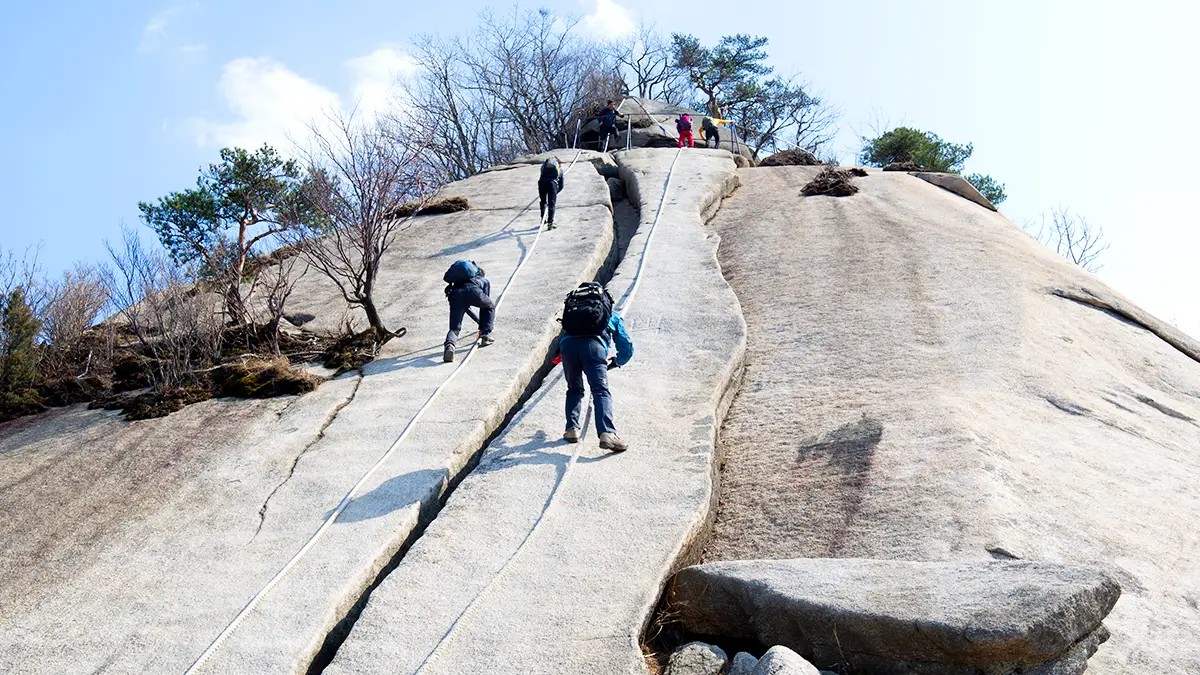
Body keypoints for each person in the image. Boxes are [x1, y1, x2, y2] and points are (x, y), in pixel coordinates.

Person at [558, 282, 633, 452]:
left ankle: (572, 429)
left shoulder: (574, 312)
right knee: (600, 391)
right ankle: (607, 433)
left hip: (568, 347)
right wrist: (618, 361)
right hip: (594, 348)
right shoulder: (610, 315)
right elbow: (625, 345)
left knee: (574, 388)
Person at [442, 259, 494, 363]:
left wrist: (478, 321)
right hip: (473, 292)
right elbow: (485, 306)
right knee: (490, 306)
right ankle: (485, 336)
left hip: (456, 296)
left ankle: (450, 346)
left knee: (454, 329)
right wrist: (484, 327)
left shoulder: (455, 284)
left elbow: (466, 308)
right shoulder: (483, 281)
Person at [538, 157, 565, 229]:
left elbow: (541, 177)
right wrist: (555, 193)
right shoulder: (560, 170)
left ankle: (543, 220)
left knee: (543, 201)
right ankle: (550, 223)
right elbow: (561, 186)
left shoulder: (544, 168)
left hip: (542, 183)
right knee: (551, 203)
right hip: (552, 184)